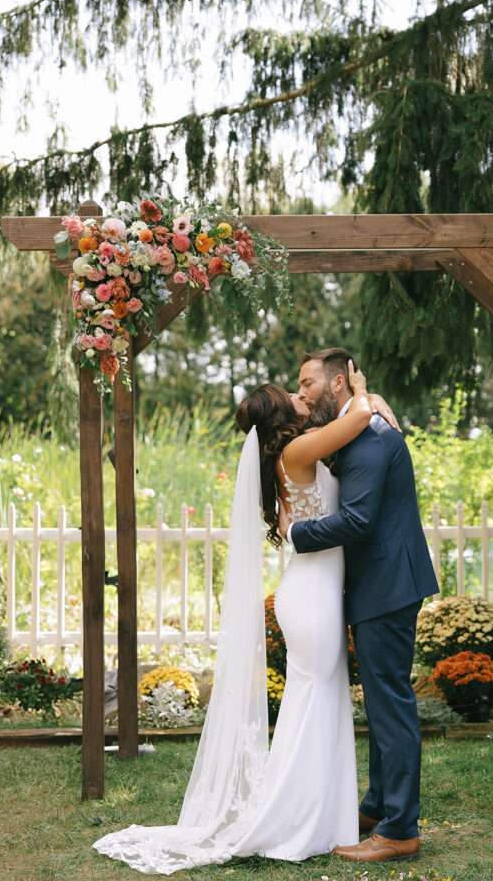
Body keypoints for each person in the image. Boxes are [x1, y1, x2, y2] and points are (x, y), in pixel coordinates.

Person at [94, 363, 385, 873]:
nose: (301, 395)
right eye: (290, 395)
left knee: (317, 702)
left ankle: (320, 816)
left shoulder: (298, 449)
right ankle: (291, 819)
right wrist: (361, 389)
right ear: (278, 414)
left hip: (312, 592)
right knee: (313, 704)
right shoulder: (296, 451)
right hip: (312, 598)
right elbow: (358, 413)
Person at [278, 348, 438, 865]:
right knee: (381, 700)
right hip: (378, 583)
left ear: (340, 384)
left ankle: (399, 829)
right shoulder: (356, 425)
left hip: (387, 584)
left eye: (307, 383)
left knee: (390, 705)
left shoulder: (368, 436)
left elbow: (357, 521)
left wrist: (295, 534)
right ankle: (376, 804)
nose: (300, 393)